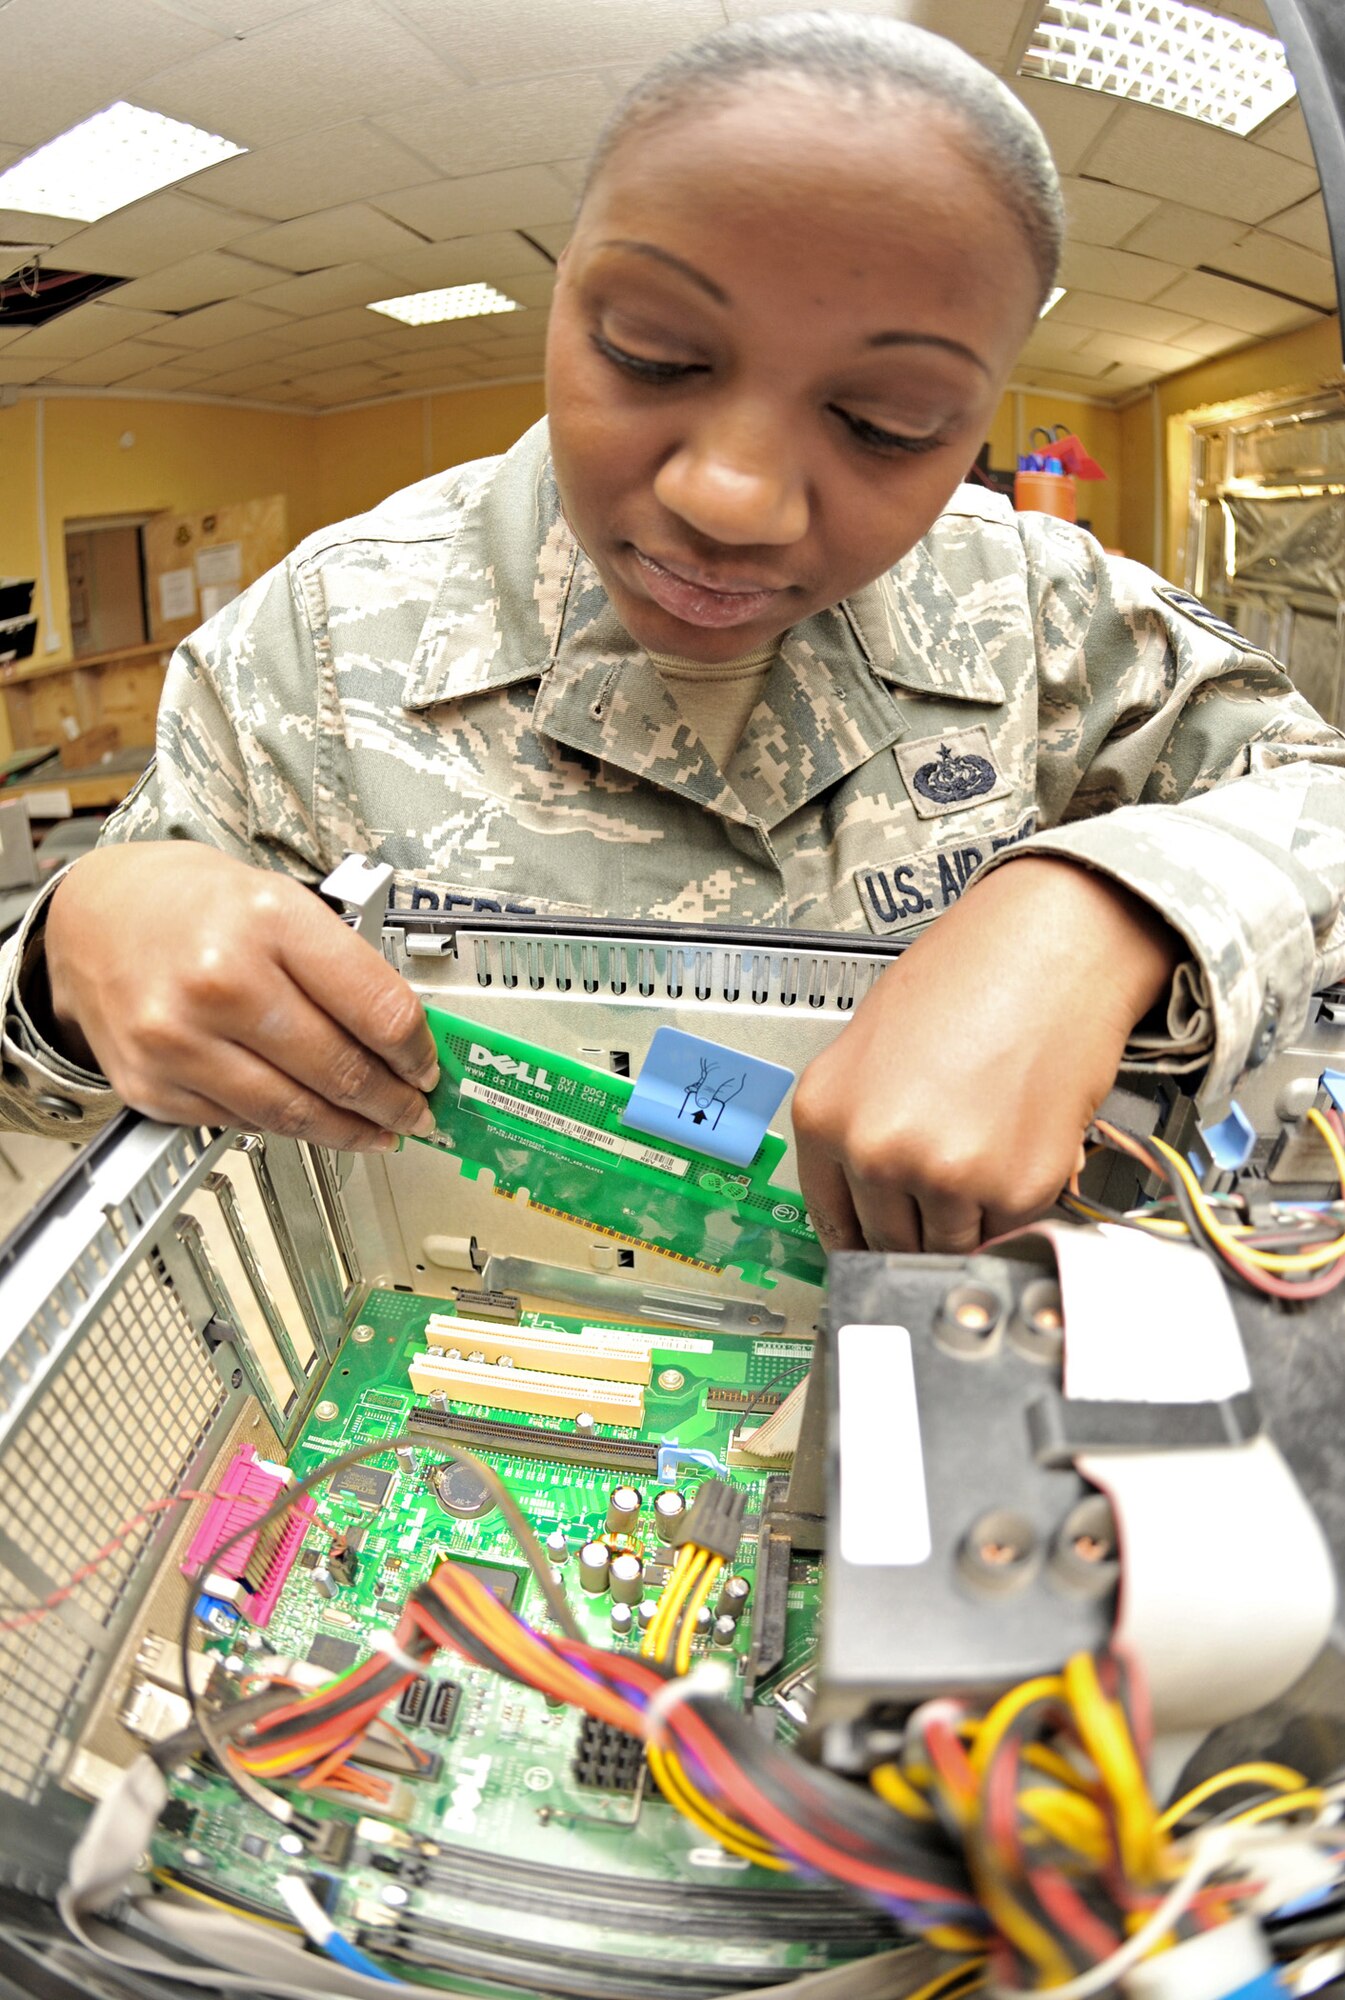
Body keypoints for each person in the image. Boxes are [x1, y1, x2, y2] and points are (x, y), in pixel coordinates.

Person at [2, 13, 1342, 1258]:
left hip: (944, 1373)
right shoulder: (317, 644)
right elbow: (61, 1120)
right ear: (561, 292)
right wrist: (72, 956)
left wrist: (1100, 908)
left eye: (885, 423)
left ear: (985, 419)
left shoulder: (1048, 616)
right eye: (649, 351)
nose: (730, 499)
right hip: (473, 1364)